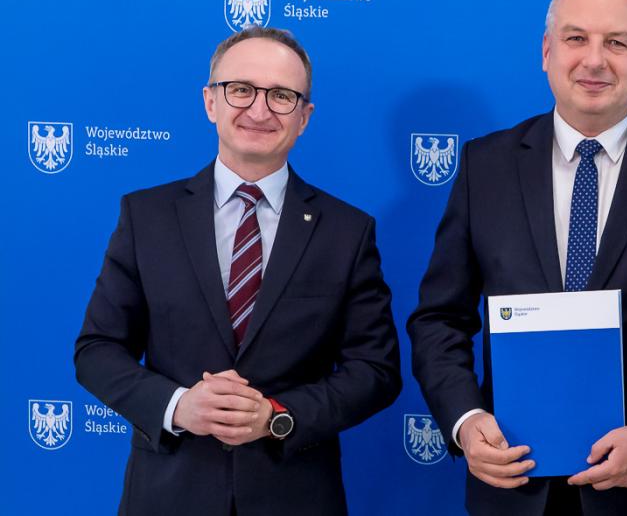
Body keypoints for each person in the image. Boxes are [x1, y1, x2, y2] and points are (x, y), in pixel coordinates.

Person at [407, 0, 627, 515]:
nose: (594, 60)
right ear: (547, 51)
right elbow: (440, 318)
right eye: (576, 38)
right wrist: (465, 420)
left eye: (617, 43)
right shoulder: (486, 166)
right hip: (511, 488)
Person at [74, 26, 402, 515]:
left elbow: (375, 371)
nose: (260, 110)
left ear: (304, 117)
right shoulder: (146, 217)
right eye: (241, 89)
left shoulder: (347, 231)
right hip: (167, 495)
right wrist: (178, 405)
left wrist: (276, 416)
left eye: (282, 96)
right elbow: (97, 350)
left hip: (295, 497)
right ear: (210, 102)